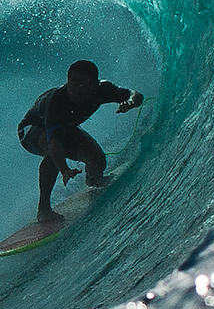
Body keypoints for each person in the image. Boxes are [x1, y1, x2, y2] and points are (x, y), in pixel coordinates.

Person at [17, 59, 144, 224]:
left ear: (95, 84)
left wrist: (131, 102)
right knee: (53, 153)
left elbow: (135, 95)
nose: (79, 88)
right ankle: (44, 209)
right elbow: (54, 144)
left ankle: (93, 179)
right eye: (75, 82)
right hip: (32, 129)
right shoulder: (56, 101)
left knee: (97, 160)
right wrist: (64, 169)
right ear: (68, 79)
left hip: (65, 127)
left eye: (86, 83)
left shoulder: (102, 90)